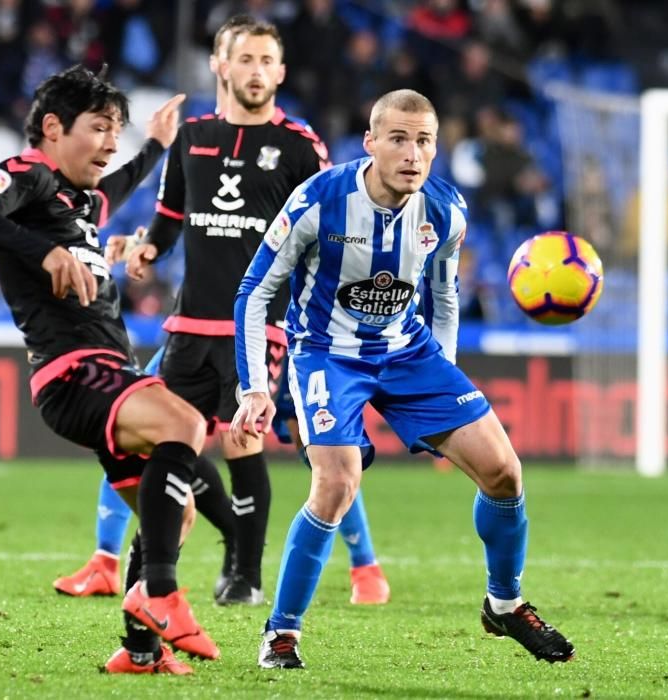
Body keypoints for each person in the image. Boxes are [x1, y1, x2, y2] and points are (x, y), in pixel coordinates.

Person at [231, 88, 575, 669]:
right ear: (369, 143)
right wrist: (255, 386)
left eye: (423, 142)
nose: (412, 154)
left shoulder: (445, 211)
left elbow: (444, 294)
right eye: (398, 139)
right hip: (326, 353)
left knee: (504, 473)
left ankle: (505, 603)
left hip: (408, 351)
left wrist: (442, 380)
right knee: (337, 485)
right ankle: (281, 632)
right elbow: (255, 291)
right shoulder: (319, 200)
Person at [54, 14, 390, 608]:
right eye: (246, 59)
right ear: (219, 64)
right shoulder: (192, 138)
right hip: (190, 320)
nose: (257, 72)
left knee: (263, 443)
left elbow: (330, 233)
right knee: (142, 437)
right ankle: (126, 565)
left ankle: (259, 572)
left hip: (266, 327)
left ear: (281, 72)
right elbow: (171, 219)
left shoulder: (299, 146)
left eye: (267, 61)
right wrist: (146, 248)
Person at [0, 64, 216, 676]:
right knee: (185, 424)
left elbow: (121, 184)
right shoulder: (29, 175)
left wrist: (156, 145)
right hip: (74, 372)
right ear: (52, 127)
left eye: (116, 130)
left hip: (100, 372)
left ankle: (140, 652)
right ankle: (161, 595)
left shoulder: (81, 199)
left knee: (173, 511)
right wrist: (43, 250)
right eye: (99, 127)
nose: (110, 142)